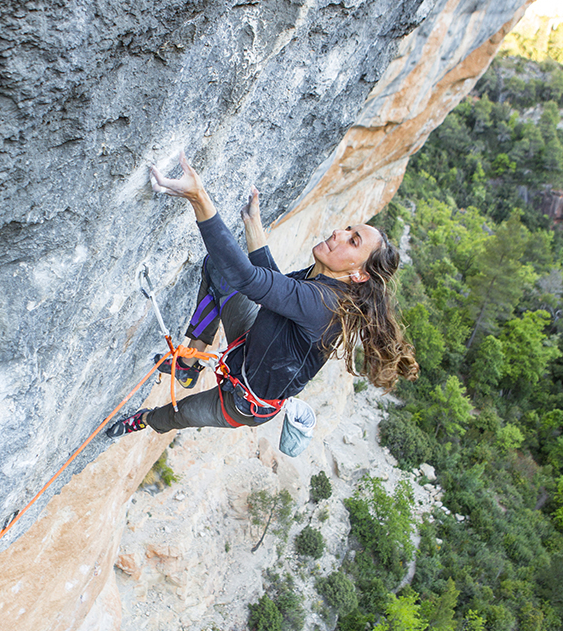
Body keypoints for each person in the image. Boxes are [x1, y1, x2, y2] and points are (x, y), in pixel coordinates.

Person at [106, 152, 418, 439]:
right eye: (348, 228)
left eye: (353, 241)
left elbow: (249, 279)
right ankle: (188, 364)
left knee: (178, 414)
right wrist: (252, 224)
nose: (339, 233)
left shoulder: (325, 305)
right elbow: (276, 287)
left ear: (358, 275)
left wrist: (199, 198)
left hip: (243, 401)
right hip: (251, 344)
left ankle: (144, 419)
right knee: (218, 267)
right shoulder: (320, 279)